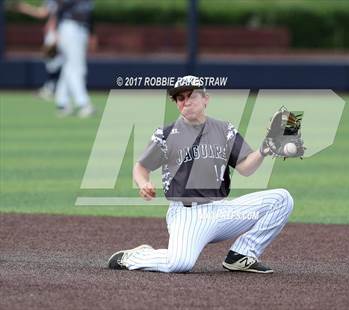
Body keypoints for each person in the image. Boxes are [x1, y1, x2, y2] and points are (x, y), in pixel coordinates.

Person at [108, 76, 294, 273]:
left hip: (221, 211)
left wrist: (264, 150)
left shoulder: (225, 130)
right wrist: (143, 183)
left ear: (206, 99)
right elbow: (141, 167)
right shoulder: (166, 134)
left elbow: (246, 168)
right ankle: (136, 256)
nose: (186, 102)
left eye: (192, 96)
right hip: (188, 214)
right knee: (180, 263)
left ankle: (242, 254)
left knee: (282, 199)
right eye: (180, 98)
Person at [11, 0, 63, 101]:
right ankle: (53, 87)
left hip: (60, 31)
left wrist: (24, 8)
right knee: (53, 61)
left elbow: (44, 13)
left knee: (55, 61)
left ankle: (53, 88)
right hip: (61, 30)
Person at [52, 0, 95, 117]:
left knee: (69, 66)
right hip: (69, 27)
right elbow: (59, 8)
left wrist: (91, 34)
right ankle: (83, 103)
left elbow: (89, 14)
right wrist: (55, 31)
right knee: (78, 68)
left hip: (82, 29)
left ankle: (62, 103)